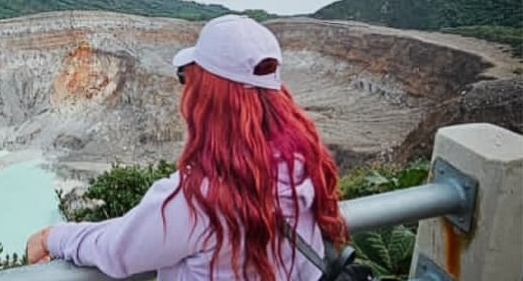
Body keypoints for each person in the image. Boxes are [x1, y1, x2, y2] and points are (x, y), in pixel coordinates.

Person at [26, 14, 348, 281]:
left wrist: (52, 236)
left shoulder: (199, 199)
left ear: (208, 97)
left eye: (189, 77)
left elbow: (118, 250)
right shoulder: (301, 168)